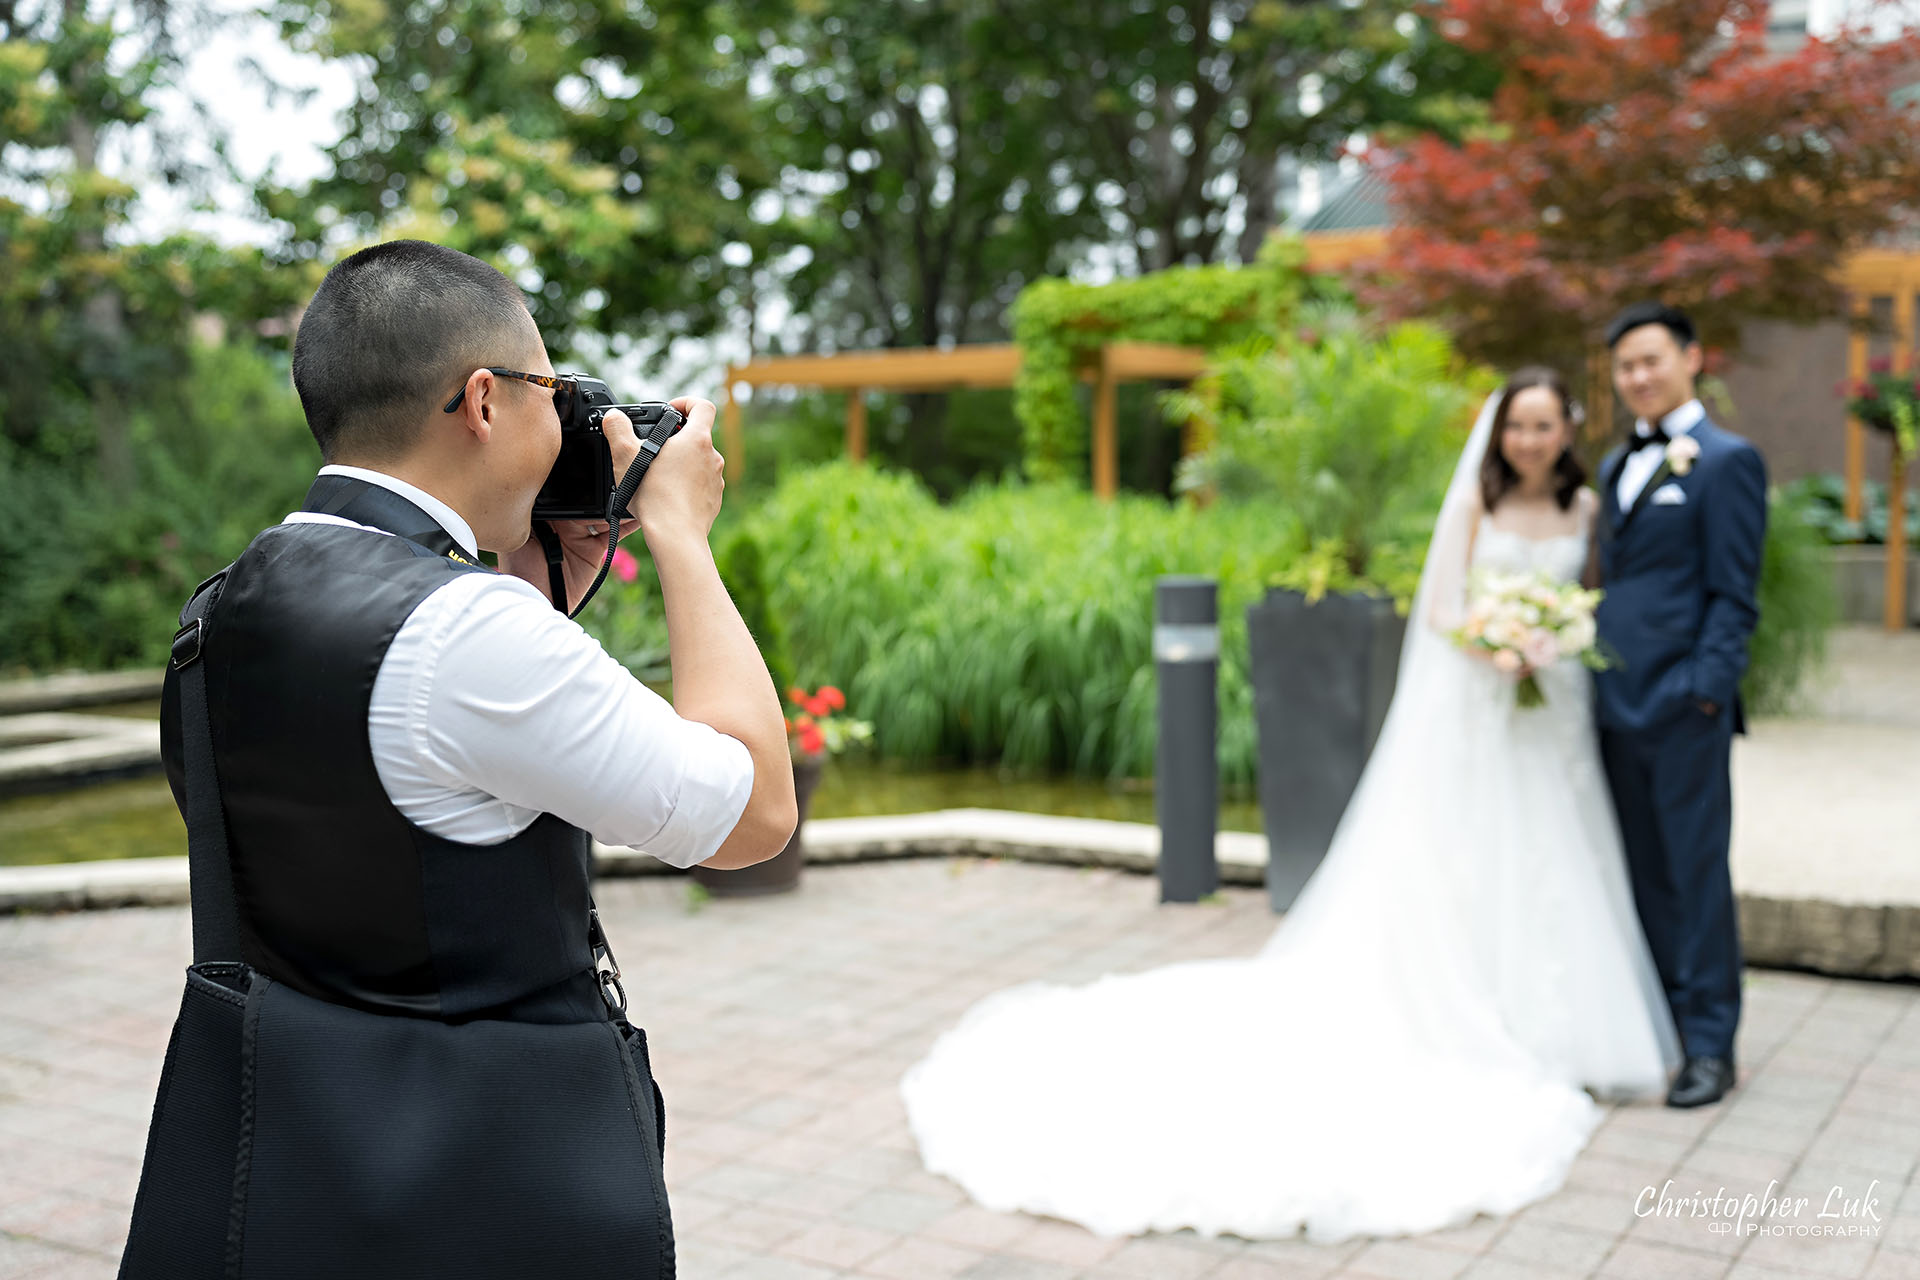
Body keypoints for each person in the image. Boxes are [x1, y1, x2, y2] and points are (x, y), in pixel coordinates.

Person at [133, 239, 796, 1275]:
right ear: (483, 401)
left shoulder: (224, 607)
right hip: (485, 1183)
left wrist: (538, 583)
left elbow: (395, 807)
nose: (563, 417)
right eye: (551, 389)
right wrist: (679, 534)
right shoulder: (466, 632)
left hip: (292, 1164)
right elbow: (752, 813)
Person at [899, 368, 1681, 1243]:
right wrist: (1496, 643)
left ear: (1568, 431)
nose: (1530, 441)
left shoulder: (1585, 513)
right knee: (1468, 853)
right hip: (1479, 703)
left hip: (1554, 714)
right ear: (1498, 434)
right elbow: (1439, 611)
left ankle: (1559, 1019)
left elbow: (1592, 602)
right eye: (1517, 426)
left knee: (1555, 855)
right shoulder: (1474, 508)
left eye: (1545, 426)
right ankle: (1475, 1012)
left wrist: (1553, 636)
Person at [1594, 302, 1767, 1109]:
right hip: (1610, 702)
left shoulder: (1729, 462)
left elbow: (1735, 596)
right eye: (1625, 365)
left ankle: (1710, 1046)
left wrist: (1704, 691)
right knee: (1643, 875)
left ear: (1692, 358)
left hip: (1682, 709)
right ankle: (1661, 1023)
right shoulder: (1612, 465)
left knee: (1695, 876)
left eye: (1651, 360)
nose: (1638, 377)